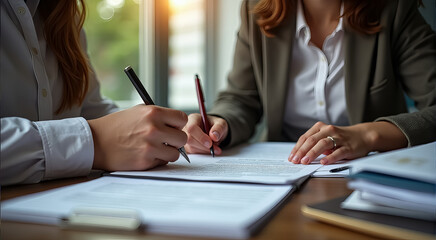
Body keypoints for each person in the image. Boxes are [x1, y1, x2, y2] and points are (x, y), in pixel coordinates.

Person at [183, 0, 436, 165]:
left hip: (369, 172)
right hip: (283, 169)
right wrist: (220, 123)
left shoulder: (395, 9)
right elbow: (240, 98)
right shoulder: (256, 8)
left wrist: (368, 134)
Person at [0, 0, 188, 186]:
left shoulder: (65, 17)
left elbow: (90, 109)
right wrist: (94, 142)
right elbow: (100, 133)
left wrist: (161, 130)